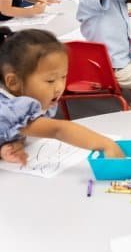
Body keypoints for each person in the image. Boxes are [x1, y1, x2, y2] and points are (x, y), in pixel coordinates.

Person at [0, 28, 124, 165]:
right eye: (50, 81)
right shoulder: (10, 110)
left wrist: (8, 145)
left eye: (63, 77)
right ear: (13, 82)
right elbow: (58, 130)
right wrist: (105, 144)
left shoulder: (16, 104)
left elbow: (14, 129)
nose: (59, 87)